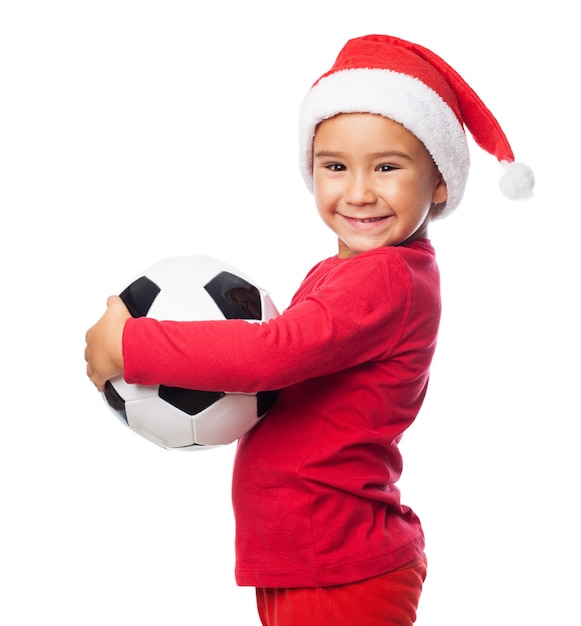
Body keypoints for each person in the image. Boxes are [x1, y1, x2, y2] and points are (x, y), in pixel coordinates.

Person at [85, 34, 533, 625]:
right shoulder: (354, 272)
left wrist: (132, 345)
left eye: (388, 167)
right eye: (336, 166)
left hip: (341, 567)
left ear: (441, 181)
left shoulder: (386, 281)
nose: (359, 191)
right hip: (309, 559)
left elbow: (270, 356)